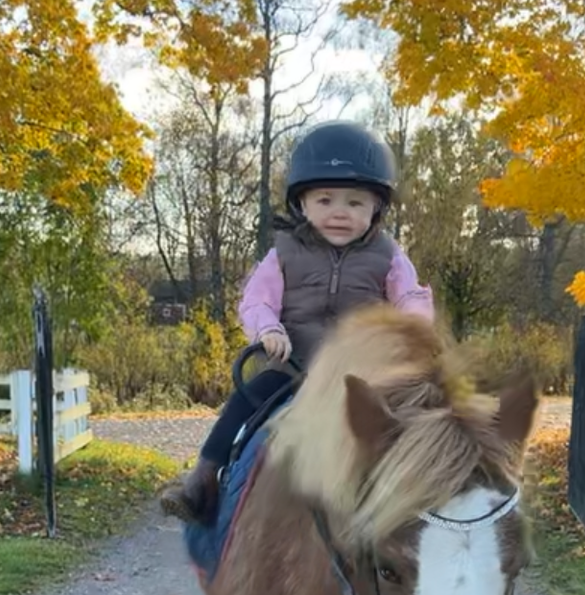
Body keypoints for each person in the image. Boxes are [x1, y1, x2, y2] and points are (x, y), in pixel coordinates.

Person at [160, 121, 435, 524]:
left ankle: (428, 497)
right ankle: (202, 482)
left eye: (355, 203)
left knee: (416, 412)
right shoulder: (284, 253)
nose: (340, 212)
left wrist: (411, 333)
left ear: (376, 207)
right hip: (293, 367)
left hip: (363, 374)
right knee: (242, 403)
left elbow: (410, 297)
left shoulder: (389, 256)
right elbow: (256, 300)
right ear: (301, 205)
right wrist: (269, 330)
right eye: (325, 200)